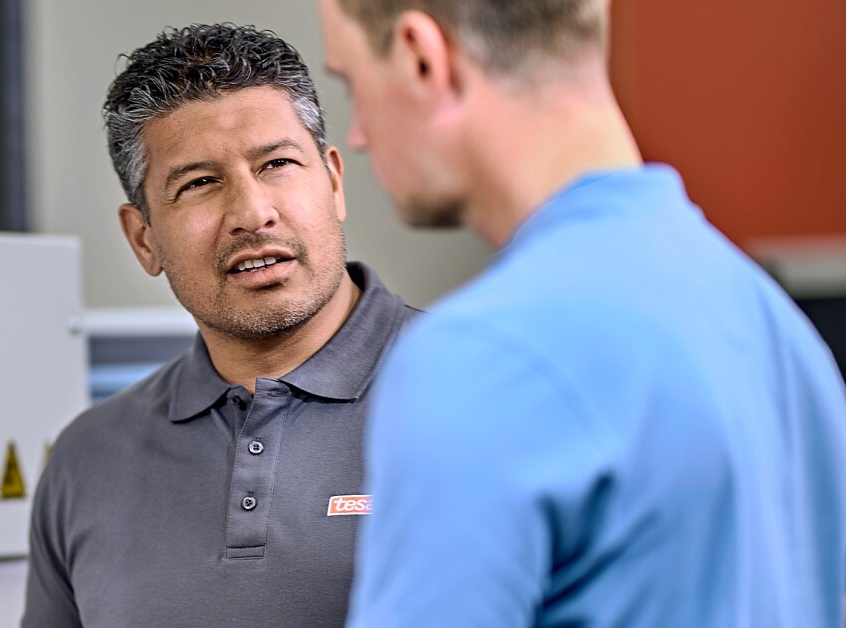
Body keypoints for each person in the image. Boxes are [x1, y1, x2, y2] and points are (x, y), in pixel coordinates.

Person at [315, 0, 846, 625]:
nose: (357, 135)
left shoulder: (480, 358)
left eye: (351, 82)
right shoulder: (776, 328)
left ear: (420, 57)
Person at [23, 23, 418, 627]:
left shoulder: (484, 389)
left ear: (334, 182)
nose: (253, 213)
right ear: (143, 237)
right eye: (200, 183)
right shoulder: (87, 460)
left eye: (278, 163)